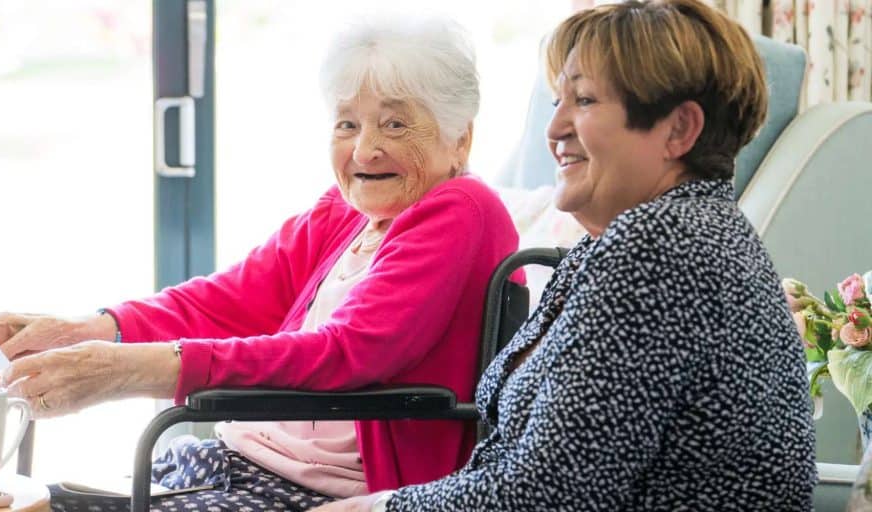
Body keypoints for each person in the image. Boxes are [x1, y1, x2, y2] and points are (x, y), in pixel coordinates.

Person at [0, 14, 522, 512]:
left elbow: (349, 351)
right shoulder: (343, 214)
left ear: (460, 139)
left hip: (320, 491)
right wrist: (84, 332)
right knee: (21, 504)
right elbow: (228, 300)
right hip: (228, 463)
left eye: (395, 124)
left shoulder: (462, 210)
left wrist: (125, 371)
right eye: (348, 123)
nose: (364, 150)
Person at [315, 1, 817, 510]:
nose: (553, 129)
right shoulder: (649, 239)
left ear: (679, 130)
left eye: (583, 100)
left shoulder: (661, 248)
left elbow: (551, 495)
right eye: (557, 100)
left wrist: (378, 508)